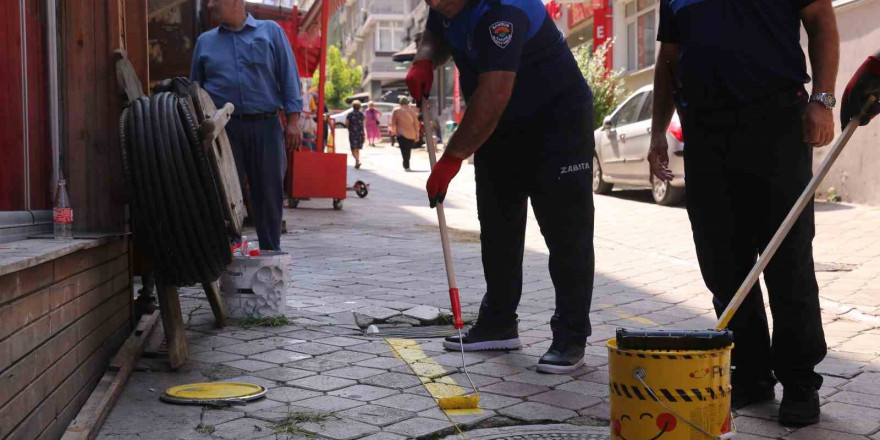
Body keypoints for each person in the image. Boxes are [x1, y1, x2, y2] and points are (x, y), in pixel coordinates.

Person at [649, 0, 839, 426]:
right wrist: (659, 132)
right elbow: (669, 59)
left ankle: (799, 380)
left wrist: (823, 100)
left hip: (776, 122)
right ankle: (752, 373)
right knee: (722, 261)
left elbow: (822, 21)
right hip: (705, 131)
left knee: (786, 255)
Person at [408, 0, 596, 374]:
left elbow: (494, 93)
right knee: (498, 226)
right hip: (499, 125)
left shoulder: (502, 11)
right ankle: (498, 322)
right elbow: (435, 30)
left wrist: (452, 157)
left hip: (557, 124)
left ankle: (571, 335)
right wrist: (425, 57)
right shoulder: (442, 2)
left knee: (565, 233)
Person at [191, 0, 301, 252]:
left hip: (267, 126)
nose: (210, 5)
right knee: (224, 195)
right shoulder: (205, 42)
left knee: (269, 192)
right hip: (225, 131)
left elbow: (288, 75)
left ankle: (270, 254)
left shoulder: (270, 31)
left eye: (214, 1)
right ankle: (230, 255)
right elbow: (194, 90)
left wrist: (293, 120)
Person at [391, 97, 420, 170]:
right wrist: (417, 134)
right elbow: (416, 123)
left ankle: (406, 164)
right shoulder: (412, 111)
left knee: (403, 150)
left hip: (401, 133)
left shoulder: (396, 111)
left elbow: (393, 123)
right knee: (408, 149)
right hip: (411, 133)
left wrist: (394, 132)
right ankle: (406, 163)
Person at [346, 101, 365, 169]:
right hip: (360, 132)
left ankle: (357, 159)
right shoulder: (361, 114)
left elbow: (347, 123)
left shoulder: (350, 114)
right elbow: (363, 124)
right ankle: (357, 163)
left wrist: (349, 129)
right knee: (357, 148)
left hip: (353, 132)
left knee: (353, 148)